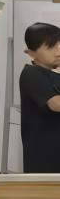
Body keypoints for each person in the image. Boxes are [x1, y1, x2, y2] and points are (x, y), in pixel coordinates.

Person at [20, 22, 60, 173]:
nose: (58, 51)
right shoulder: (32, 73)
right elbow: (56, 104)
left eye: (59, 45)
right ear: (31, 53)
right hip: (44, 155)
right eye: (51, 47)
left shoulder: (54, 74)